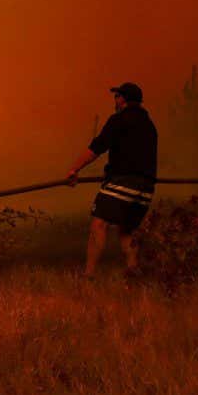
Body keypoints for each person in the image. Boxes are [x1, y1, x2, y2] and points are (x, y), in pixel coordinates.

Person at [65, 82, 158, 278]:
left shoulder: (118, 120)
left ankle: (88, 275)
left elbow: (96, 149)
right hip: (146, 188)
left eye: (116, 96)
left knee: (99, 224)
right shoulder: (149, 126)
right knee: (126, 229)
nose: (114, 101)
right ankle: (133, 271)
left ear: (123, 99)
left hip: (122, 182)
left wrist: (74, 169)